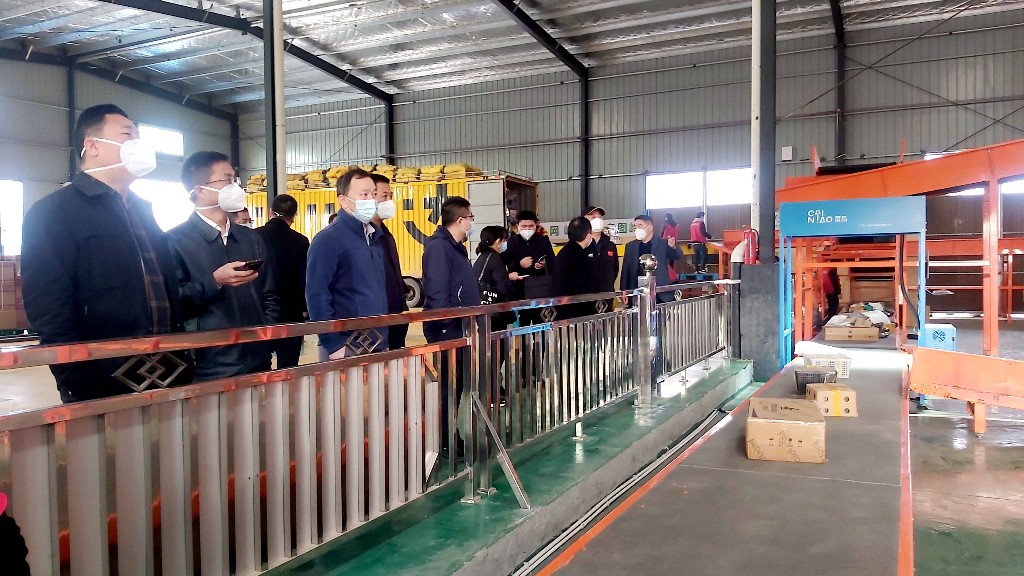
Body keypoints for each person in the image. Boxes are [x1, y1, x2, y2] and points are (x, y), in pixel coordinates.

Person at [22, 104, 192, 402]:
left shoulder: (143, 211)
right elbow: (49, 307)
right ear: (93, 146)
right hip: (104, 378)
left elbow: (164, 292)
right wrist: (78, 378)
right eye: (128, 135)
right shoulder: (54, 212)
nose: (138, 144)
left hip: (168, 370)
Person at [168, 151, 281, 381]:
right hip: (210, 366)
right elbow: (173, 303)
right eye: (227, 180)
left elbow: (270, 294)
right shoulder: (174, 242)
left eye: (235, 180)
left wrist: (266, 337)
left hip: (258, 359)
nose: (235, 187)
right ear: (199, 190)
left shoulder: (251, 239)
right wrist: (214, 282)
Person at [306, 168, 388, 360]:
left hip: (377, 341)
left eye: (373, 194)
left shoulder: (374, 238)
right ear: (343, 200)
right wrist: (334, 345)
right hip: (347, 345)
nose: (371, 200)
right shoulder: (328, 239)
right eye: (364, 195)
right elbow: (317, 295)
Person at [422, 197, 480, 459]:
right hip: (447, 329)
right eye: (470, 218)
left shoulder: (456, 247)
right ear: (460, 220)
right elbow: (437, 292)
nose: (472, 222)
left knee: (456, 386)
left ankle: (451, 433)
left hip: (460, 325)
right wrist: (447, 325)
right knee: (448, 387)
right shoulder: (438, 248)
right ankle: (444, 438)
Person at [256, 193, 310, 368]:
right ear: (293, 216)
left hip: (260, 310)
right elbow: (304, 277)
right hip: (291, 312)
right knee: (288, 366)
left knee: (259, 364)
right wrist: (304, 308)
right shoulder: (301, 241)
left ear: (270, 212)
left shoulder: (253, 237)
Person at [370, 173, 410, 349]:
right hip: (377, 322)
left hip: (396, 316)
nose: (389, 202)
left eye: (390, 196)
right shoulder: (362, 237)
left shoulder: (386, 235)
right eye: (384, 196)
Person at [502, 210, 556, 323]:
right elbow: (503, 264)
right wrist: (519, 264)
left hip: (539, 291)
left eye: (531, 226)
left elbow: (553, 262)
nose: (527, 229)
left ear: (536, 225)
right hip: (518, 291)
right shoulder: (510, 243)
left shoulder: (543, 241)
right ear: (518, 226)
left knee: (540, 325)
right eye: (524, 226)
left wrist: (543, 264)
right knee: (522, 325)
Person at [621, 214, 684, 304]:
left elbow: (678, 256)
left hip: (660, 291)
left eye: (640, 225)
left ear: (650, 227)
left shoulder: (663, 243)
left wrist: (673, 247)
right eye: (635, 226)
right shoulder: (630, 246)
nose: (637, 229)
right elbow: (626, 268)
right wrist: (624, 289)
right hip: (637, 291)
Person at [473, 226, 519, 331]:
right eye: (504, 240)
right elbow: (503, 288)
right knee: (497, 339)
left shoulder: (482, 257)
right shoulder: (495, 258)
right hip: (496, 313)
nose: (505, 243)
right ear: (498, 241)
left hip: (483, 311)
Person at [555, 217, 599, 319]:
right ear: (588, 235)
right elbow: (582, 285)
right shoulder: (580, 255)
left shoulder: (564, 251)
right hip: (576, 310)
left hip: (564, 308)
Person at [583, 205, 620, 312]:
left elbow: (615, 269)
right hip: (584, 297)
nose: (597, 220)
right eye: (593, 217)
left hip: (606, 295)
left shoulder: (610, 245)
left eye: (599, 217)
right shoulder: (579, 245)